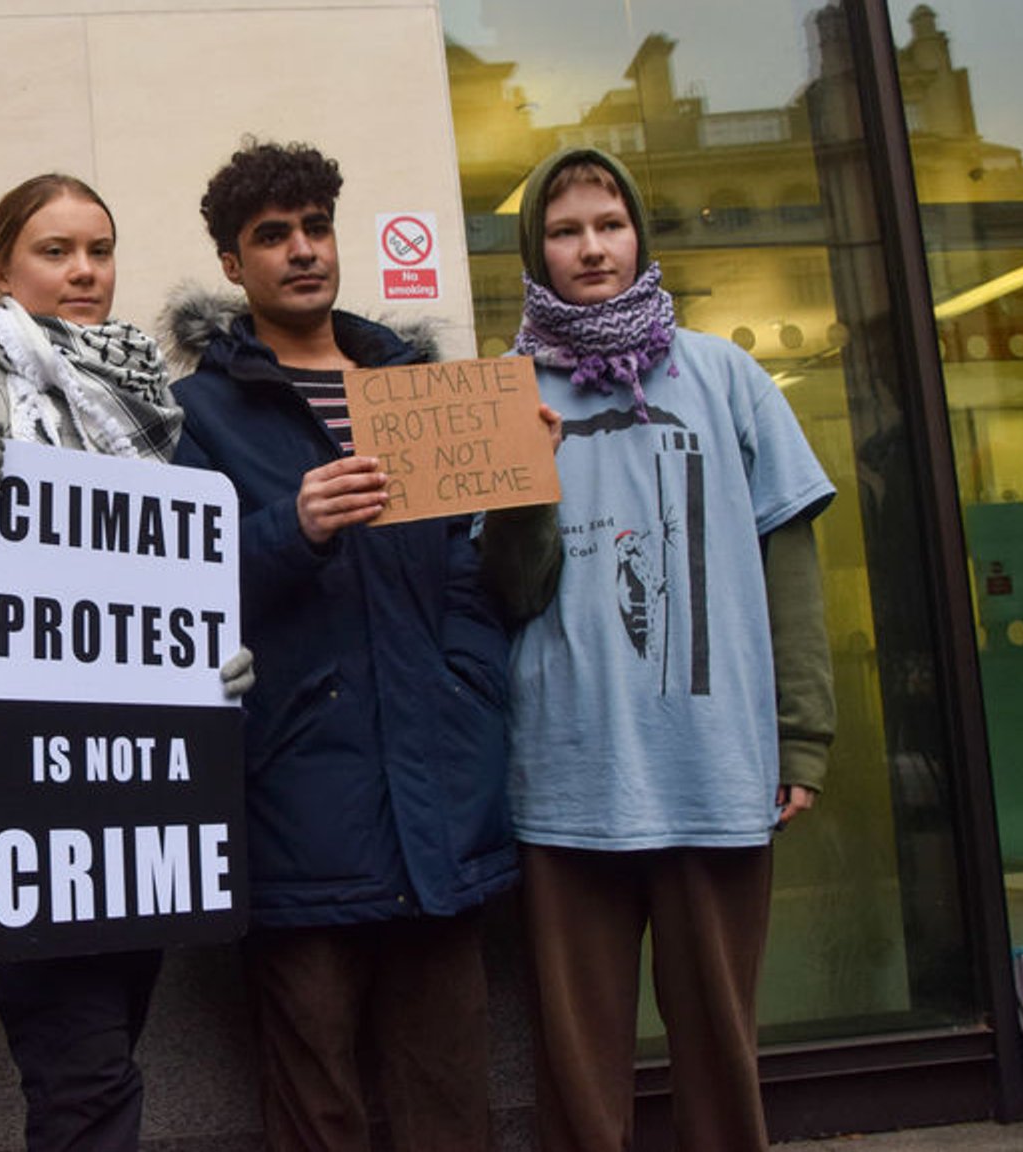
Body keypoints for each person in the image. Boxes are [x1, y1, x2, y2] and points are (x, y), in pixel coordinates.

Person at [0, 173, 249, 1151]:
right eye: (54, 250)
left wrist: (211, 661)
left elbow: (157, 585)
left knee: (98, 1062)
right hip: (13, 771)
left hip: (148, 771)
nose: (82, 271)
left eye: (98, 249)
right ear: (2, 269)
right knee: (81, 1074)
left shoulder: (152, 408)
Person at [163, 140, 518, 1151]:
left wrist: (469, 685)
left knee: (447, 1092)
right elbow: (172, 598)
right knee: (314, 1102)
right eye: (271, 236)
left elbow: (473, 580)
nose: (301, 250)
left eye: (314, 227)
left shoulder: (418, 389)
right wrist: (290, 529)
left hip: (440, 795)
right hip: (295, 801)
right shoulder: (199, 415)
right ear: (233, 265)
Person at [482, 146, 836, 1151]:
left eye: (606, 224)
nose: (588, 248)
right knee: (575, 1067)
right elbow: (506, 593)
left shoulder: (722, 374)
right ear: (532, 250)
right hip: (564, 771)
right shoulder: (506, 393)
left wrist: (800, 739)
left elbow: (790, 567)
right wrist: (522, 485)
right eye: (563, 231)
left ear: (636, 232)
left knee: (720, 1055)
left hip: (711, 766)